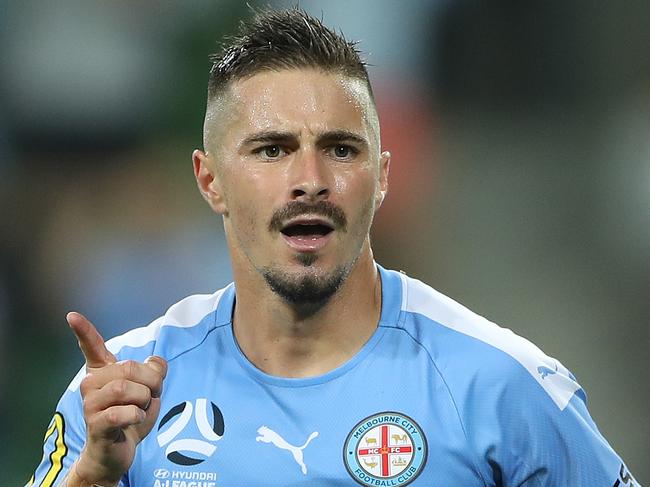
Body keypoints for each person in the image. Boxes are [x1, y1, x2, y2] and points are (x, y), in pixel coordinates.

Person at [29, 9, 638, 487]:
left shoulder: (500, 385)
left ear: (382, 177)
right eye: (272, 149)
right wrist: (91, 477)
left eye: (342, 150)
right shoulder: (123, 391)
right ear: (209, 179)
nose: (310, 178)